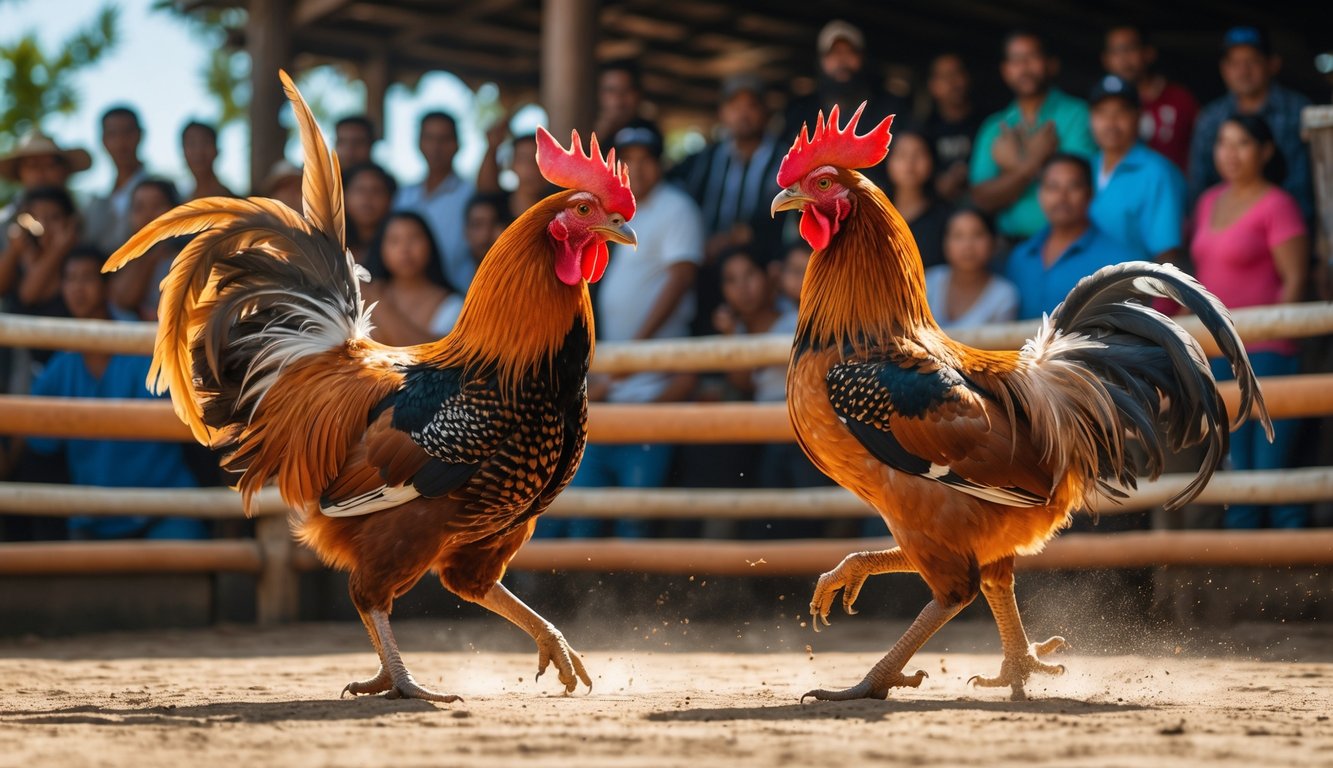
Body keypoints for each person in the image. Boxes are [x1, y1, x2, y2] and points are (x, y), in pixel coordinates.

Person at [545, 121, 703, 540]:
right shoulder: (608, 212)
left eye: (646, 159)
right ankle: (579, 597)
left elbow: (680, 276)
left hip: (651, 384)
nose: (638, 167)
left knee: (636, 512)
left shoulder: (676, 207)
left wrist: (637, 347)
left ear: (660, 163)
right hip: (611, 383)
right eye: (629, 160)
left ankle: (632, 595)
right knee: (585, 509)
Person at [25, 247, 206, 540]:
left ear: (106, 286)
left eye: (87, 278)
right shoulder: (61, 365)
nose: (78, 288)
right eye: (70, 279)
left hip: (167, 509)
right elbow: (37, 445)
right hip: (91, 520)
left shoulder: (146, 344)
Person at [1190, 114, 1308, 529]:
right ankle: (1241, 579)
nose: (1231, 153)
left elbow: (1295, 280)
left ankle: (1299, 578)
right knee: (1236, 468)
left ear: (1266, 151)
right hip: (1218, 353)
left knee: (1272, 469)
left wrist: (1272, 337)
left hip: (1268, 352)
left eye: (1242, 143)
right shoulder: (1207, 201)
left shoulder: (1278, 204)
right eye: (1224, 142)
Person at [673, 73, 785, 333]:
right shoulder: (706, 159)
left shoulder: (785, 157)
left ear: (765, 112)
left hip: (765, 273)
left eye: (752, 106)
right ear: (722, 113)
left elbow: (785, 215)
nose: (743, 114)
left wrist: (737, 237)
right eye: (735, 106)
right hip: (710, 272)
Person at [970, 31, 1096, 241]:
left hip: (1072, 241)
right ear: (1005, 70)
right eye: (1016, 60)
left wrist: (1013, 166)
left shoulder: (1078, 114)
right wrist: (1032, 161)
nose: (1024, 67)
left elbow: (1076, 185)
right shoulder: (994, 126)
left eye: (1032, 57)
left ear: (1051, 64)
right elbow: (982, 198)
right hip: (1009, 248)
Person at [1188, 26, 1312, 219]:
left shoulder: (1299, 111)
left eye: (1252, 62)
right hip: (1229, 227)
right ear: (1224, 69)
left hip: (1290, 226)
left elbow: (1307, 184)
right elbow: (1200, 182)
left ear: (1273, 64)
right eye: (1234, 63)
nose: (1243, 72)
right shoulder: (1210, 117)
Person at [1005, 154, 1137, 320]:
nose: (1062, 197)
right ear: (1040, 194)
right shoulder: (1020, 257)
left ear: (1090, 194)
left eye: (1073, 187)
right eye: (1053, 187)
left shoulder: (1119, 261)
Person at [1087, 75, 1187, 264]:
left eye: (1120, 113)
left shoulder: (1158, 172)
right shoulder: (1087, 166)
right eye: (1102, 113)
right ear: (1091, 118)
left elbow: (1167, 255)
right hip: (1088, 289)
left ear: (1138, 117)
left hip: (1135, 290)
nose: (1110, 123)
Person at [784, 19, 907, 148]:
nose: (842, 60)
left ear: (863, 58)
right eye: (834, 53)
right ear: (821, 61)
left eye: (850, 51)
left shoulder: (890, 110)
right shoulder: (799, 111)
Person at [394, 111, 476, 293]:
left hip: (459, 297)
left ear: (457, 144)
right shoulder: (404, 195)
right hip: (409, 298)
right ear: (419, 143)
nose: (436, 146)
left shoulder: (470, 194)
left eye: (444, 139)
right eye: (429, 138)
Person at [1101, 25, 1199, 173]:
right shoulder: (1099, 105)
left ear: (1149, 53)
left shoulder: (1180, 99)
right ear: (1106, 60)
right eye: (1116, 51)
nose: (1124, 59)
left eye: (1131, 49)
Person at [362, 211, 464, 346]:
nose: (404, 249)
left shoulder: (453, 305)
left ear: (430, 246)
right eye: (394, 241)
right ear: (380, 249)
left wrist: (376, 302)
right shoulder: (364, 295)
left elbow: (438, 358)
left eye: (414, 239)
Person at [925, 207, 1019, 329]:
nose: (967, 245)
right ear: (945, 243)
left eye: (977, 235)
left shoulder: (1004, 296)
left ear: (993, 242)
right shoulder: (928, 282)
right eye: (958, 236)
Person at [0, 186, 79, 321]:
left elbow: (28, 294)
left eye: (54, 218)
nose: (43, 224)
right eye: (35, 217)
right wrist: (13, 251)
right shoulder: (18, 256)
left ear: (69, 221)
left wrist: (58, 249)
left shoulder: (79, 261)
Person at [108, 177, 181, 321]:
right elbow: (123, 299)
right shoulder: (124, 259)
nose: (148, 215)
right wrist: (149, 258)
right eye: (139, 208)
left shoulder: (192, 255)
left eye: (157, 205)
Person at [884, 127, 953, 269]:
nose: (910, 163)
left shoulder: (946, 217)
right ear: (887, 161)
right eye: (902, 155)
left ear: (932, 161)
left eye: (919, 154)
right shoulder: (871, 213)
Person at [83, 105, 148, 255]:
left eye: (127, 132)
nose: (121, 141)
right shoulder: (96, 204)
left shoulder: (161, 192)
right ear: (103, 141)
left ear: (140, 135)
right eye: (113, 134)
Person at [922, 53, 982, 202]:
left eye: (957, 73)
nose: (953, 82)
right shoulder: (925, 129)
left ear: (967, 78)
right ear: (933, 86)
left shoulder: (985, 123)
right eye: (944, 76)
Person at [0, 130, 91, 222]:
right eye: (32, 165)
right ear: (19, 172)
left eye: (50, 165)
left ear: (65, 171)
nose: (41, 172)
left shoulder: (92, 215)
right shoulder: (4, 224)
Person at [478, 128, 556, 221]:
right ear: (512, 165)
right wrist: (492, 147)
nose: (531, 166)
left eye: (539, 159)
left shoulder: (562, 209)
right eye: (523, 159)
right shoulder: (497, 208)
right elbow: (485, 188)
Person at [343, 162, 398, 264]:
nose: (367, 197)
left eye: (376, 191)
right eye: (359, 190)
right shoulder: (327, 243)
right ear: (343, 197)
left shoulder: (400, 245)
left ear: (390, 199)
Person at [593, 59, 650, 141]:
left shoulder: (647, 133)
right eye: (610, 90)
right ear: (599, 94)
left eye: (626, 90)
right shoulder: (589, 130)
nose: (618, 99)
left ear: (639, 94)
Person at [180, 121, 234, 200]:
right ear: (184, 153)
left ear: (217, 150)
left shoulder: (234, 203)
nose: (198, 151)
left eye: (205, 142)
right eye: (191, 144)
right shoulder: (181, 205)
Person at [463, 193, 511, 267]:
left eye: (493, 224)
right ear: (466, 232)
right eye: (478, 224)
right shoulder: (455, 273)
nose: (486, 233)